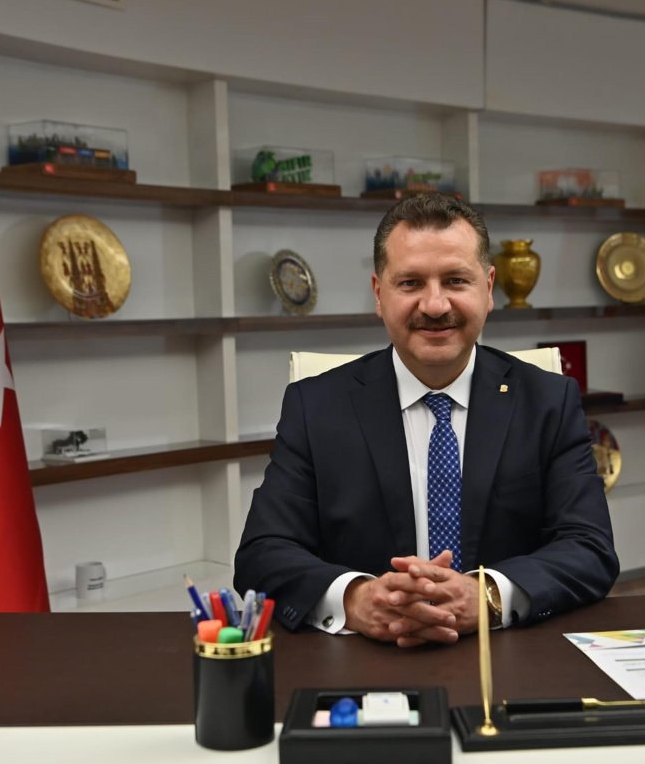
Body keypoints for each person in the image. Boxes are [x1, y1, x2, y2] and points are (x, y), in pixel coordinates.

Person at [234, 192, 618, 647]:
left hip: (509, 654)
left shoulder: (549, 402)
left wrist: (487, 595)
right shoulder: (316, 405)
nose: (435, 306)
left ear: (488, 288)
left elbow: (589, 548)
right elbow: (262, 553)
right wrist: (357, 599)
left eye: (455, 280)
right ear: (379, 294)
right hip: (365, 658)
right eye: (411, 283)